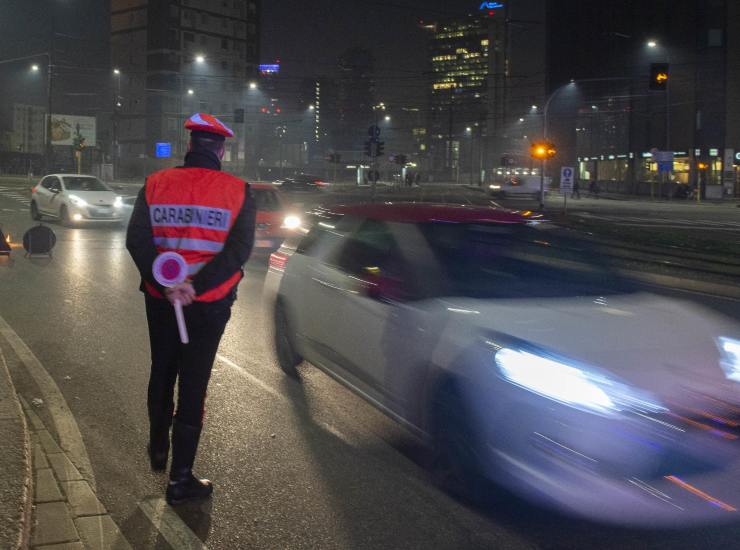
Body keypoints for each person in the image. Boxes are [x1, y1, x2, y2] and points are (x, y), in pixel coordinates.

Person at [126, 113, 256, 505]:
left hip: (160, 299)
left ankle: (157, 446)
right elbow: (237, 252)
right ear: (221, 149)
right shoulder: (238, 190)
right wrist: (193, 287)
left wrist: (167, 283)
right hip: (208, 304)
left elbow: (137, 240)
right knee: (194, 381)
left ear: (190, 146)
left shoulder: (155, 184)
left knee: (162, 368)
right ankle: (180, 479)